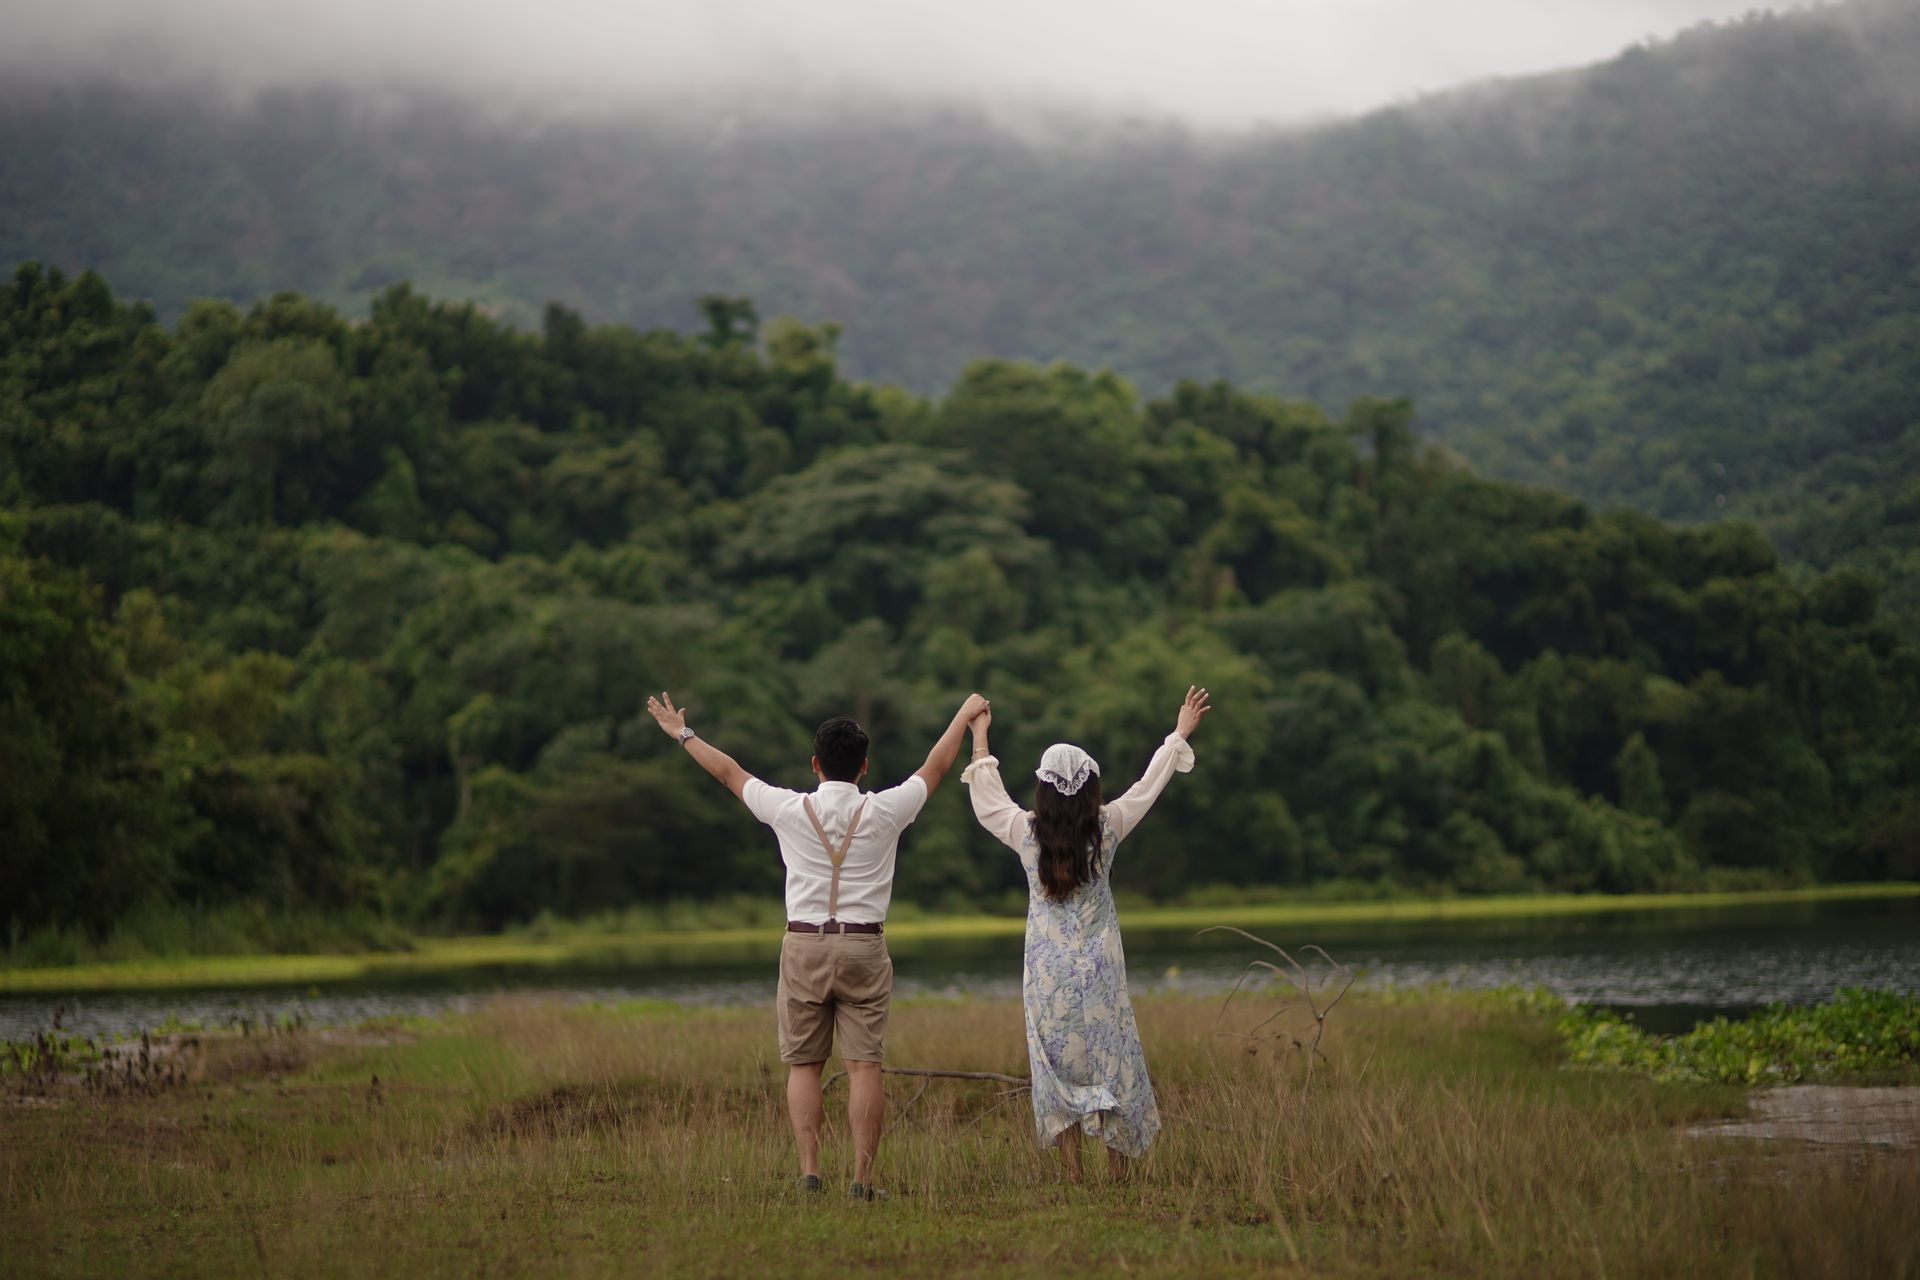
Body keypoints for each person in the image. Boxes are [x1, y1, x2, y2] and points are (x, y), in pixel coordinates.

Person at [644, 689, 989, 1200]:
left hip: (803, 945)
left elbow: (728, 773)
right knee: (864, 1066)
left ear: (815, 764)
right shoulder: (886, 809)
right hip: (864, 947)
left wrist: (683, 733)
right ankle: (862, 1181)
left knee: (804, 1064)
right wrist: (964, 715)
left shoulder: (788, 808)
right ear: (864, 766)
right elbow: (936, 766)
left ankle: (810, 1174)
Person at [960, 685, 1210, 1183]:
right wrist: (1178, 734)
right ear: (1090, 787)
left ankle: (1073, 1172)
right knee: (1111, 1058)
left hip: (1046, 975)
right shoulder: (1108, 827)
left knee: (1055, 1066)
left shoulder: (1026, 833)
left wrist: (980, 735)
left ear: (1043, 790)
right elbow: (1147, 788)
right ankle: (1118, 1173)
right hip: (1101, 972)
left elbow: (988, 800)